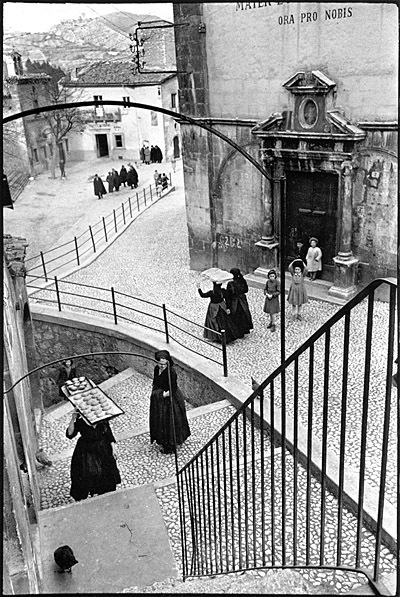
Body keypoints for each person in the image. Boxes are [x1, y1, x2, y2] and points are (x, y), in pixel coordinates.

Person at [66, 410, 121, 501]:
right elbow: (70, 434)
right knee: (86, 473)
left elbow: (109, 434)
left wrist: (113, 449)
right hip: (86, 449)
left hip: (102, 447)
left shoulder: (101, 419)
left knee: (106, 472)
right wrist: (73, 419)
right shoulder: (81, 421)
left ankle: (105, 493)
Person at [149, 350, 191, 454]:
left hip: (170, 399)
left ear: (168, 362)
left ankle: (170, 445)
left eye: (163, 364)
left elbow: (171, 389)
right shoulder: (156, 369)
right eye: (159, 363)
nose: (161, 366)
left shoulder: (171, 373)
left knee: (169, 421)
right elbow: (155, 382)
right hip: (160, 396)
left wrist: (160, 394)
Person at [197, 280, 240, 344]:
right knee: (225, 321)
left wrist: (199, 288)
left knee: (214, 321)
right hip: (222, 307)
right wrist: (228, 308)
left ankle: (217, 337)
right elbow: (228, 299)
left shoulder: (211, 293)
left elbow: (202, 295)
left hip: (214, 308)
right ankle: (229, 336)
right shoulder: (222, 291)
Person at [224, 268, 253, 336]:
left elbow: (228, 295)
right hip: (242, 300)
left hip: (234, 302)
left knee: (235, 315)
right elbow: (246, 290)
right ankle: (244, 330)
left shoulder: (230, 283)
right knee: (243, 314)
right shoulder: (242, 281)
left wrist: (227, 306)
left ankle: (237, 331)